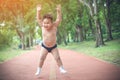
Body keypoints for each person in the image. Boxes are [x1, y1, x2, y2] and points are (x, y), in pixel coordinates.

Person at [35, 4, 67, 76]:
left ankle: (61, 68)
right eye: (44, 23)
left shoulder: (54, 26)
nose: (46, 24)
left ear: (52, 23)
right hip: (45, 46)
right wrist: (38, 11)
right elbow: (38, 19)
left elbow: (58, 19)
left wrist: (59, 11)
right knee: (41, 58)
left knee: (57, 58)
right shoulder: (42, 26)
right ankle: (38, 70)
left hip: (53, 47)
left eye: (48, 23)